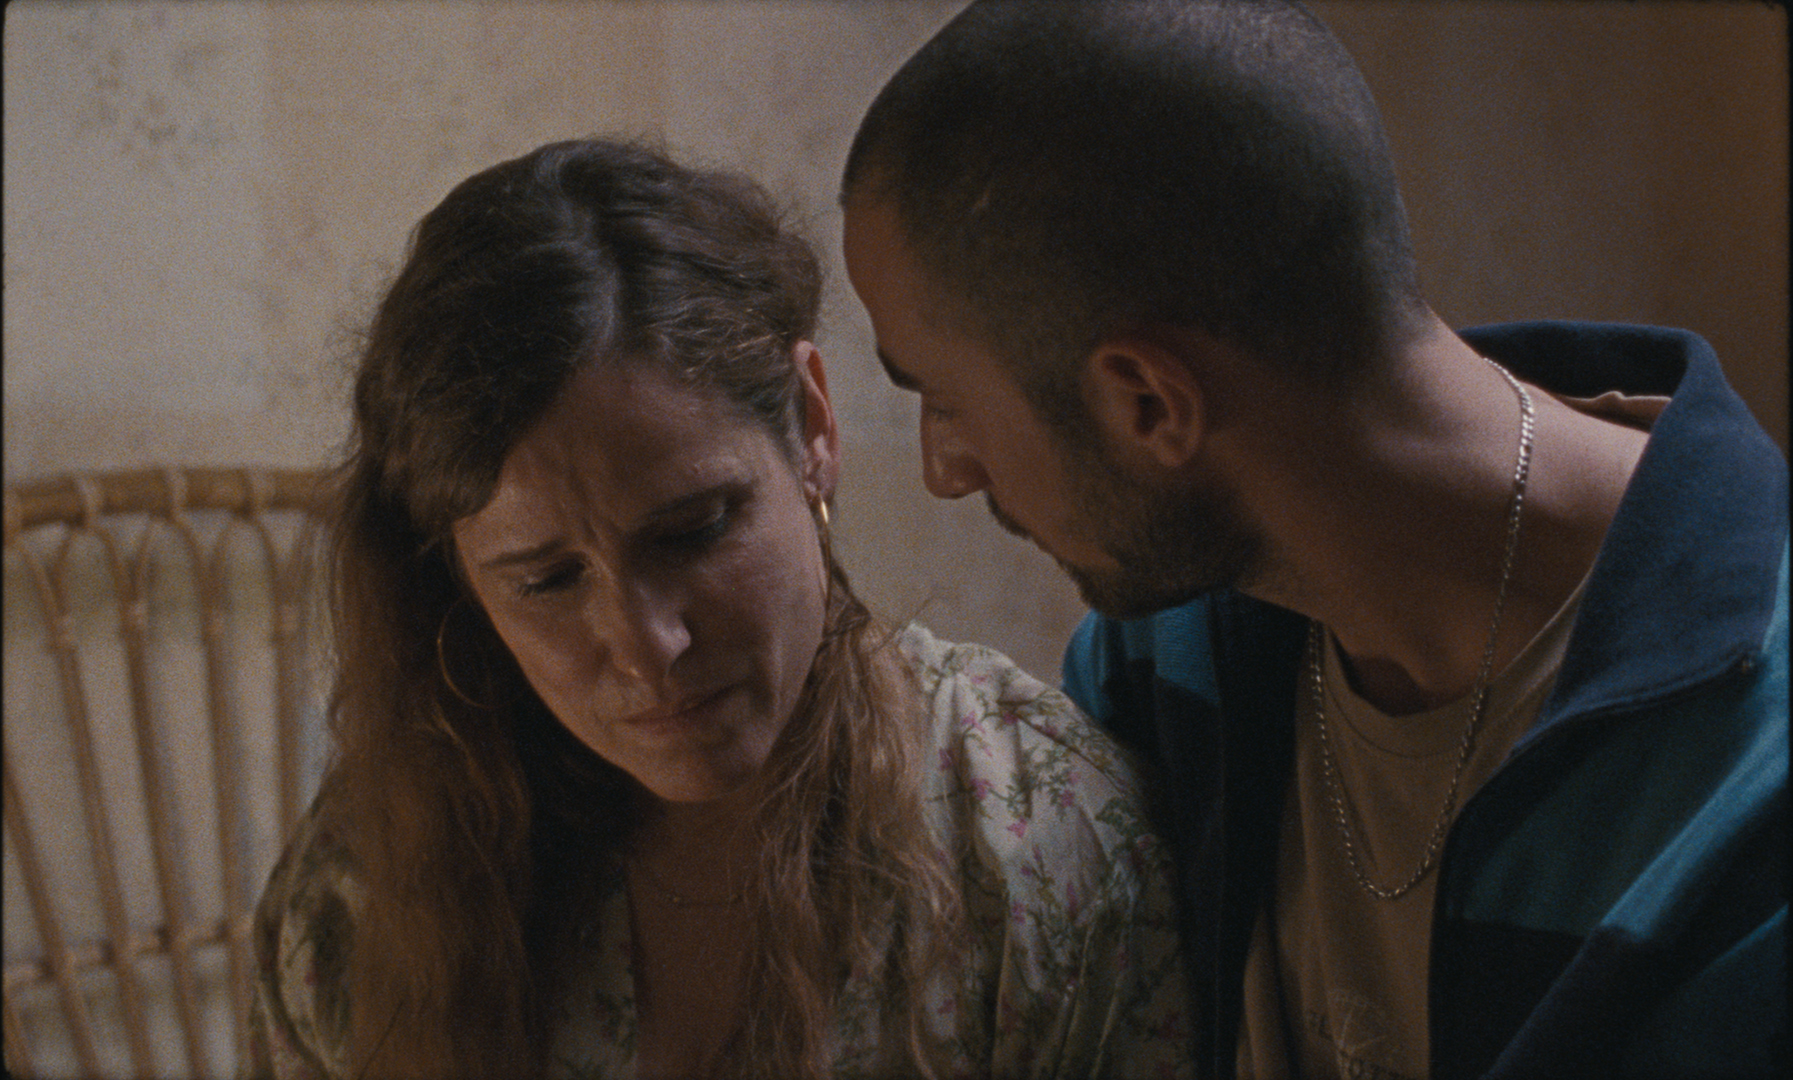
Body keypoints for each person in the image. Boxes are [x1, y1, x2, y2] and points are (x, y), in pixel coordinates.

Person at [839, 2, 1788, 1078]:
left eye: (943, 399)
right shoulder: (1168, 670)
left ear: (1147, 402)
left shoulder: (1750, 788)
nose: (944, 470)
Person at [246, 138, 1192, 1080]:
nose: (648, 644)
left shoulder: (1039, 846)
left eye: (693, 531)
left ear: (812, 425)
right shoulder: (368, 886)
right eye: (547, 582)